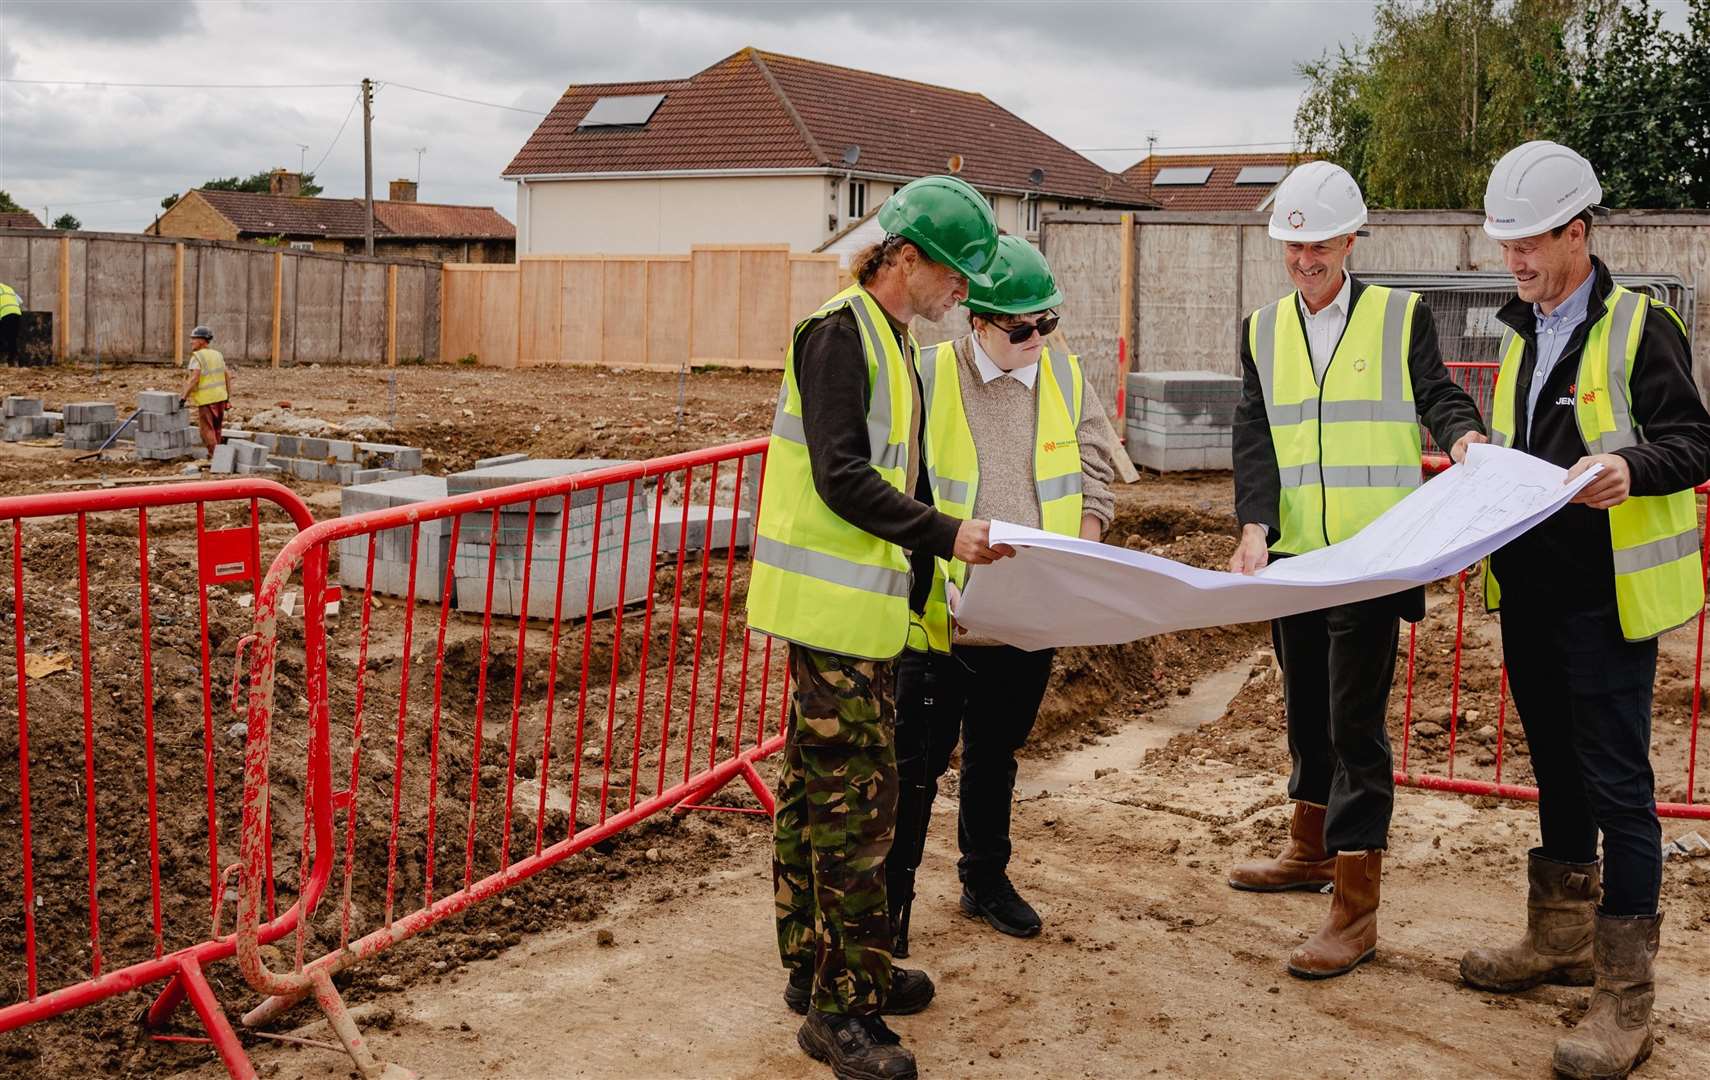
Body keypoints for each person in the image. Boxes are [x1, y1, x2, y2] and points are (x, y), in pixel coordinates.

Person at [746, 174, 1008, 1080]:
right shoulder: (840, 337)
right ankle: (840, 1010)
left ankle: (819, 967)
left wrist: (942, 572)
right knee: (858, 811)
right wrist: (946, 535)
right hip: (830, 617)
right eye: (957, 273)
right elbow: (843, 479)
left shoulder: (889, 339)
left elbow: (903, 477)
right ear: (905, 258)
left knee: (825, 797)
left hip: (862, 613)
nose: (964, 292)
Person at [1459, 141, 1710, 1080]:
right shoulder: (1521, 331)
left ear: (1578, 231)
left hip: (1605, 602)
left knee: (1618, 789)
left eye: (1529, 243)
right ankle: (1558, 936)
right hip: (1530, 589)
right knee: (1556, 772)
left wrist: (1629, 468)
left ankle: (1624, 996)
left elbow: (1695, 441)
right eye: (1505, 245)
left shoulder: (1641, 328)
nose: (1514, 261)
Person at [1227, 161, 1485, 979]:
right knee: (1305, 708)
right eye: (1293, 243)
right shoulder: (1262, 329)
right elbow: (1255, 433)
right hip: (1300, 557)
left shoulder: (1399, 318)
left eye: (1320, 242)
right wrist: (1254, 524)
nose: (1306, 257)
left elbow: (1437, 394)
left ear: (1349, 239)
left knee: (1354, 727)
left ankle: (1355, 907)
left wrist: (1465, 438)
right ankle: (1308, 849)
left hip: (1374, 560)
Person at [886, 236, 1118, 959]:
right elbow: (895, 496)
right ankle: (888, 905)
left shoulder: (1066, 377)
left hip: (1026, 617)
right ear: (975, 321)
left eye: (1046, 324)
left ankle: (984, 880)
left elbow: (1095, 474)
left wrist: (1081, 547)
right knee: (915, 770)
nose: (1038, 340)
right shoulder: (923, 377)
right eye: (1021, 329)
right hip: (940, 620)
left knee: (997, 756)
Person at [180, 325, 230, 456]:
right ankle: (220, 458)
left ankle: (216, 457)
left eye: (194, 339)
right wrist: (228, 399)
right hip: (221, 397)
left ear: (202, 341)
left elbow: (194, 379)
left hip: (207, 400)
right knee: (217, 429)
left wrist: (183, 398)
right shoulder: (218, 355)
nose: (191, 342)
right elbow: (227, 377)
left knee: (206, 430)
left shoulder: (197, 357)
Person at [0, 280, 21, 366]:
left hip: (5, 313)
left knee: (2, 338)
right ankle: (14, 361)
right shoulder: (8, 288)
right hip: (16, 313)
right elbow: (19, 301)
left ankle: (2, 361)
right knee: (12, 339)